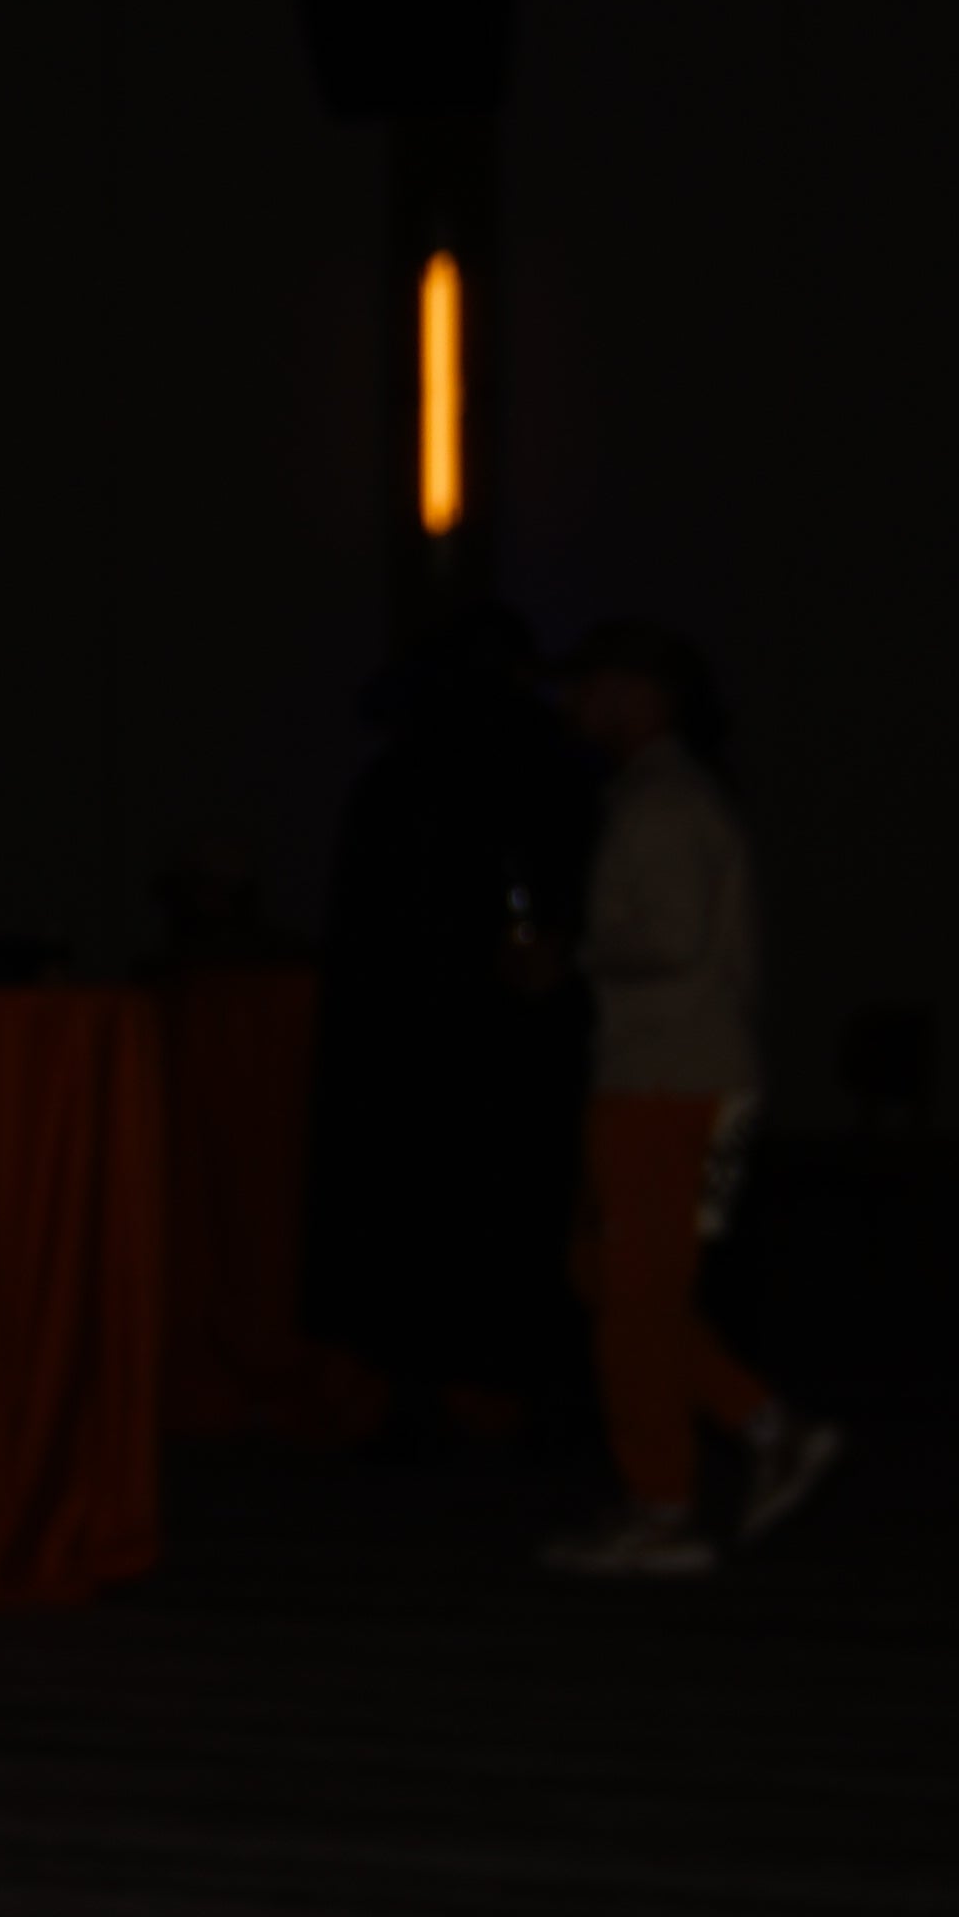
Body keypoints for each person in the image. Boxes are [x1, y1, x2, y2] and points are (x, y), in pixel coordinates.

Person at [534, 623, 835, 1577]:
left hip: (666, 1083)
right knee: (615, 1277)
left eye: (586, 685)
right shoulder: (669, 796)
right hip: (687, 1077)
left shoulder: (662, 805)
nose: (570, 705)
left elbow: (668, 937)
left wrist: (572, 956)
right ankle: (767, 1427)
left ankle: (663, 1507)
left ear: (637, 695)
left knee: (632, 1296)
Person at [300, 594, 588, 1434]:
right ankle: (466, 1380)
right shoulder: (517, 773)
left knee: (442, 1205)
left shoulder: (417, 779)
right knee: (475, 1204)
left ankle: (441, 1379)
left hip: (440, 1048)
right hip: (473, 1046)